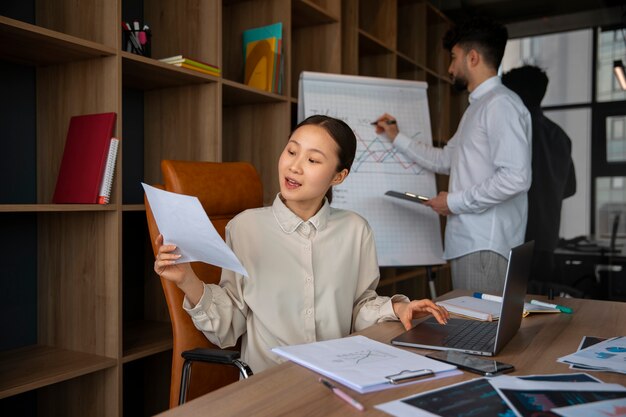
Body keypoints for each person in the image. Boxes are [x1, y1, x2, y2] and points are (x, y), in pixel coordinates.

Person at [154, 115, 449, 374]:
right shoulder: (244, 227)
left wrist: (398, 308)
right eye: (291, 151)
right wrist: (187, 279)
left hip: (338, 375)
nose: (294, 166)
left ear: (338, 176)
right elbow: (230, 324)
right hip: (271, 382)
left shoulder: (355, 230)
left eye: (312, 160)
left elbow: (358, 307)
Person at [374, 16, 532, 295]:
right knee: (474, 331)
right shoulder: (478, 107)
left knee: (482, 334)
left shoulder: (500, 105)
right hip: (471, 243)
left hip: (484, 244)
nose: (449, 67)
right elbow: (446, 160)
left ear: (472, 58)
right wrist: (396, 136)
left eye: (453, 57)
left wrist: (454, 202)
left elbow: (516, 177)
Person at [502, 65, 576, 288]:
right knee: (541, 309)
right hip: (547, 238)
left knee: (507, 310)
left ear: (513, 95)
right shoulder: (560, 136)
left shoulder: (515, 131)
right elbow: (571, 188)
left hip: (515, 237)